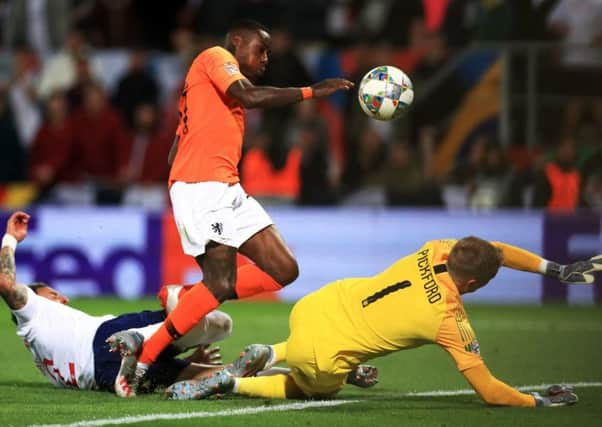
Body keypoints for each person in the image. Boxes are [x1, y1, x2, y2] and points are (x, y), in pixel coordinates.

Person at [111, 19, 354, 398]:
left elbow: (178, 144)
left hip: (225, 187)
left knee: (283, 270)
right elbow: (252, 96)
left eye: (269, 53)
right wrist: (312, 91)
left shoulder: (208, 91)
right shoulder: (215, 57)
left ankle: (190, 295)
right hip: (202, 187)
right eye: (261, 49)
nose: (266, 58)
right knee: (221, 283)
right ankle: (144, 358)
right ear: (237, 43)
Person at [166, 237, 602, 407]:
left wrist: (556, 269)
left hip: (318, 305)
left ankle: (274, 350)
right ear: (471, 283)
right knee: (316, 387)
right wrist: (540, 402)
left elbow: (496, 251)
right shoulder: (449, 318)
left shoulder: (437, 249)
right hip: (324, 356)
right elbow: (489, 391)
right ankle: (233, 383)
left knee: (319, 346)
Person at [0, 211, 235, 395]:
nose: (63, 298)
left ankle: (253, 377)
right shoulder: (32, 314)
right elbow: (6, 284)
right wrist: (11, 238)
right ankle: (143, 334)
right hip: (106, 337)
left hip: (105, 377)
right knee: (221, 324)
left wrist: (184, 361)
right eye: (53, 295)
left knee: (204, 375)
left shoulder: (44, 359)